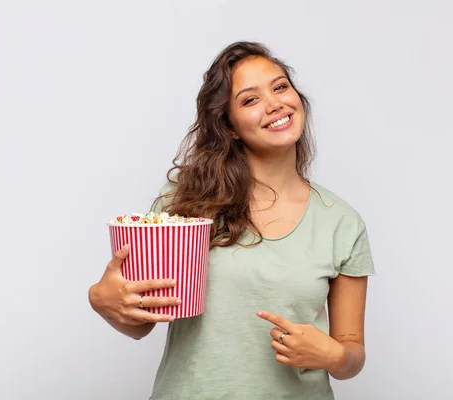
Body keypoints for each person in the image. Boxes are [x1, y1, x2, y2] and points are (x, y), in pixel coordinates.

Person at [88, 41, 376, 399]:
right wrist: (102, 300)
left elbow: (351, 352)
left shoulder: (342, 223)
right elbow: (140, 325)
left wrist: (334, 356)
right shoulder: (186, 203)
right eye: (250, 100)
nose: (274, 104)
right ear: (231, 126)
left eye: (280, 86)